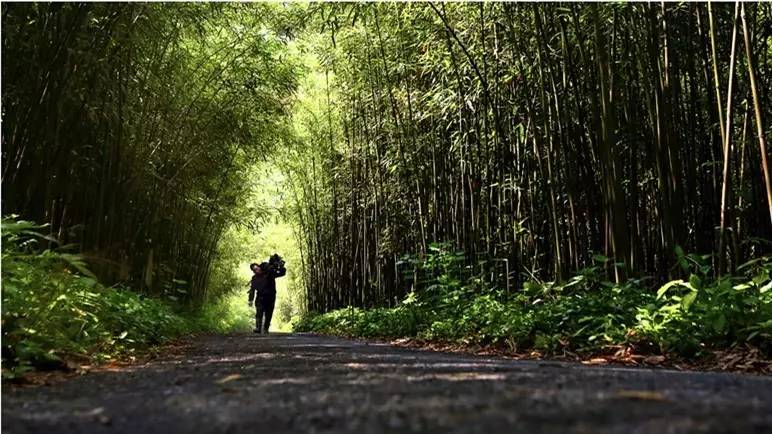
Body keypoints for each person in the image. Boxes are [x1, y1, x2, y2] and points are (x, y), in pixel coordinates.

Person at [248, 257, 286, 334]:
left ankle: (266, 328)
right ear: (253, 272)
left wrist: (281, 266)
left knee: (269, 313)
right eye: (254, 270)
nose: (256, 270)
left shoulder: (269, 273)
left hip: (270, 297)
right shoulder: (255, 278)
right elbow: (252, 289)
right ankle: (258, 328)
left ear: (259, 267)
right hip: (260, 298)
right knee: (259, 313)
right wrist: (250, 300)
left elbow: (281, 273)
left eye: (257, 268)